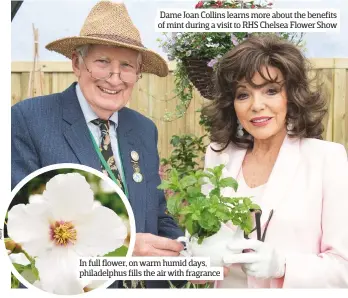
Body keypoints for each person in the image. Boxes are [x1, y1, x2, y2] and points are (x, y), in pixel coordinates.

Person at [11, 1, 185, 288]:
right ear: (77, 64)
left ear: (138, 73)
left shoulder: (143, 129)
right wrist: (123, 255)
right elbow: (19, 228)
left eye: (126, 66)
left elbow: (156, 214)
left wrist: (185, 252)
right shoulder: (29, 120)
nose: (115, 78)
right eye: (103, 62)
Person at [202, 35, 348, 288]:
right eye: (243, 94)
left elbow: (343, 268)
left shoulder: (327, 159)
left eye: (271, 90)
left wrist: (283, 265)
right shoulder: (218, 155)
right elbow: (203, 241)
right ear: (232, 104)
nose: (257, 105)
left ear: (291, 96)